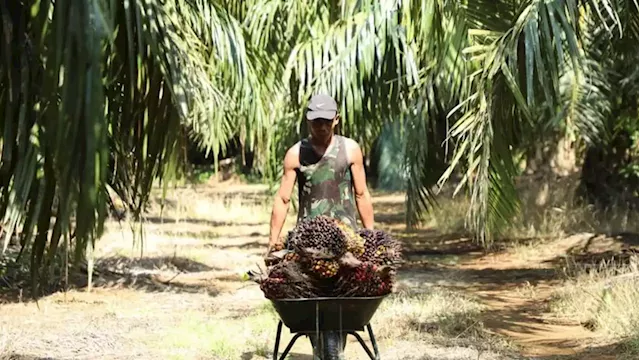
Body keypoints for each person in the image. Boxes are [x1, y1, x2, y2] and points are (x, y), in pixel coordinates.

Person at [267, 93, 375, 253]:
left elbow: (361, 194)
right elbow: (283, 199)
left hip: (346, 238)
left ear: (336, 119)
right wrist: (272, 242)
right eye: (317, 122)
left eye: (327, 121)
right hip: (308, 239)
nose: (322, 127)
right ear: (309, 120)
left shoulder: (350, 150)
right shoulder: (296, 154)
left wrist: (371, 236)